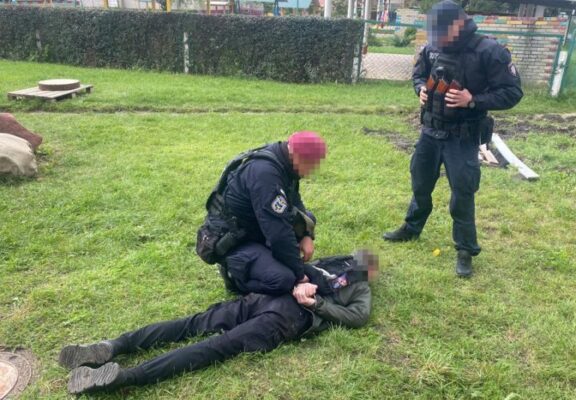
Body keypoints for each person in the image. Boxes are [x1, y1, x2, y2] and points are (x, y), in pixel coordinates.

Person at [59, 251, 377, 394]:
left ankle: (119, 363)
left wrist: (316, 303)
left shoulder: (359, 286)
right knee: (208, 336)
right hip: (272, 300)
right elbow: (299, 268)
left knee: (208, 335)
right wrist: (300, 281)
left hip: (291, 313)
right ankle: (117, 355)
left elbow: (358, 317)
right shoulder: (336, 266)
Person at [383, 0, 523, 277]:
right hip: (430, 131)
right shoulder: (432, 47)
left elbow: (512, 93)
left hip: (462, 136)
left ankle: (465, 249)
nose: (436, 39)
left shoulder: (490, 51)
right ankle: (412, 228)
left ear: (459, 25)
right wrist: (420, 89)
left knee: (462, 193)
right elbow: (418, 75)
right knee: (420, 182)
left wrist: (473, 100)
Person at [196, 131, 327, 295]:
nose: (312, 171)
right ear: (297, 156)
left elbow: (294, 201)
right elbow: (278, 233)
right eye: (311, 165)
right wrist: (300, 276)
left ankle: (267, 260)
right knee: (284, 279)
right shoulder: (265, 174)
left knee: (308, 219)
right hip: (236, 240)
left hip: (256, 226)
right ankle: (234, 277)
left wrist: (307, 234)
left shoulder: (285, 161)